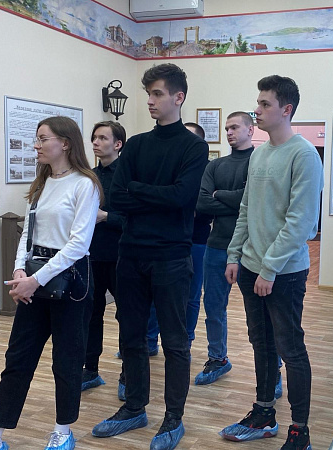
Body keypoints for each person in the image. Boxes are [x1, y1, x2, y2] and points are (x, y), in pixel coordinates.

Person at [0, 116, 101, 450]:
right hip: (34, 277)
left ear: (65, 143)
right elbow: (28, 232)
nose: (36, 145)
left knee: (66, 361)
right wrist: (19, 271)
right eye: (36, 139)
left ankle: (62, 431)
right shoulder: (41, 182)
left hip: (71, 280)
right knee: (18, 359)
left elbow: (78, 245)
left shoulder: (85, 184)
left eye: (42, 139)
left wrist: (35, 279)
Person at [92, 63, 208, 450]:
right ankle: (134, 407)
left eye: (157, 94)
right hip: (130, 253)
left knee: (174, 342)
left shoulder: (193, 147)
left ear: (178, 97)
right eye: (149, 94)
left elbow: (183, 197)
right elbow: (118, 198)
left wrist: (139, 191)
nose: (150, 101)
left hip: (171, 256)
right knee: (131, 336)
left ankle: (173, 418)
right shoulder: (138, 144)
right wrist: (156, 195)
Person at [220, 76, 323, 450]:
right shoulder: (260, 154)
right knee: (261, 343)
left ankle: (300, 430)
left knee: (290, 348)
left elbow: (301, 222)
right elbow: (246, 209)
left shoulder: (304, 155)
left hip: (284, 273)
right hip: (251, 268)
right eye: (258, 102)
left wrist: (269, 268)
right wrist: (235, 254)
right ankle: (263, 413)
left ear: (286, 110)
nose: (257, 110)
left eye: (264, 104)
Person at [193, 111, 255, 385]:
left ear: (250, 130)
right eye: (227, 128)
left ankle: (272, 369)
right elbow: (201, 203)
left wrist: (219, 195)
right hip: (217, 246)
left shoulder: (260, 162)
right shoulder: (215, 166)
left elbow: (256, 200)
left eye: (235, 127)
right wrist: (239, 201)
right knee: (214, 307)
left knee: (260, 314)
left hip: (252, 248)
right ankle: (217, 358)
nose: (229, 132)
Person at [146, 121, 212, 356]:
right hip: (164, 238)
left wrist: (177, 204)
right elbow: (155, 200)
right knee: (156, 294)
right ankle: (149, 340)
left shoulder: (207, 170)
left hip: (196, 240)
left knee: (191, 296)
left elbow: (207, 207)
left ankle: (186, 342)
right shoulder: (165, 165)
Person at [81, 120, 126, 392]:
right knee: (91, 314)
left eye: (102, 138)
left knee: (127, 316)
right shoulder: (89, 177)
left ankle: (128, 374)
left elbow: (135, 219)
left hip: (122, 256)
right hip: (93, 255)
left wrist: (106, 217)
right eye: (94, 138)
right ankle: (90, 369)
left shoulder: (128, 176)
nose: (96, 143)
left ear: (118, 144)